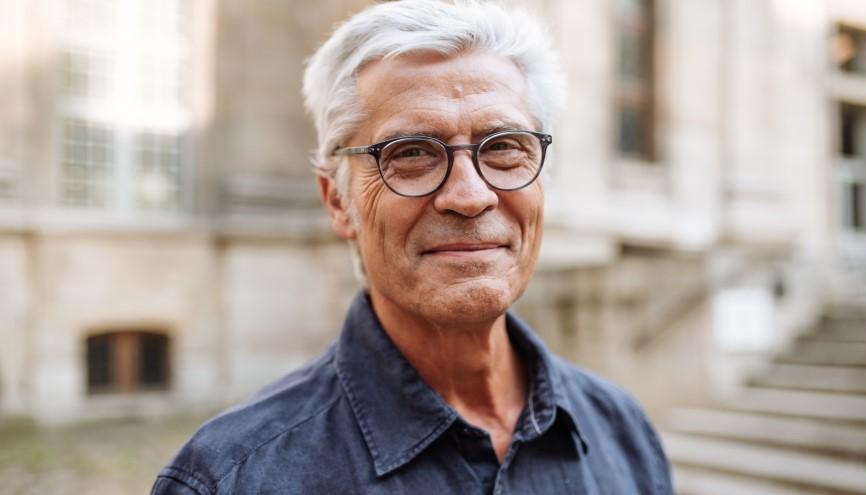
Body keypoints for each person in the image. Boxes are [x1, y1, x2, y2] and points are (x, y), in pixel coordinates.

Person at [151, 1, 673, 493]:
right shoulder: (234, 478)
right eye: (412, 153)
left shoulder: (621, 432)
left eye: (505, 148)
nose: (470, 195)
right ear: (337, 200)